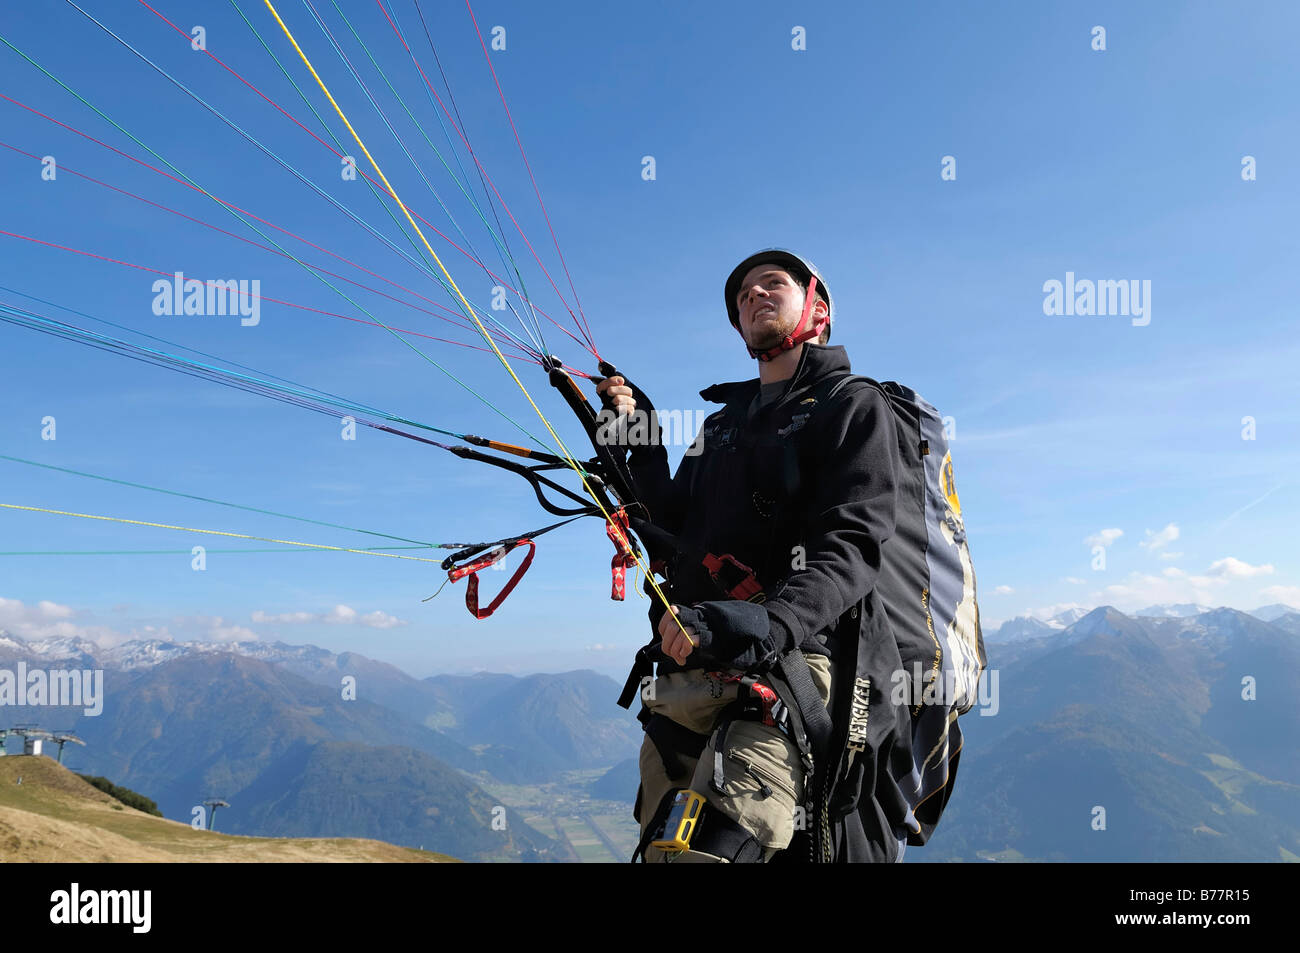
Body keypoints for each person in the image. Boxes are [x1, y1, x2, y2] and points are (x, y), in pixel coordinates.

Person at [597, 248, 908, 863]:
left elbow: (853, 542)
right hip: (691, 665)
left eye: (774, 284)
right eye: (743, 294)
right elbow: (668, 520)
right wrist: (638, 431)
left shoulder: (853, 406)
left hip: (792, 667)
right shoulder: (722, 427)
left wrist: (772, 623)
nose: (754, 294)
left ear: (816, 308)